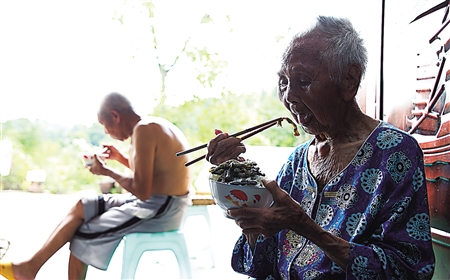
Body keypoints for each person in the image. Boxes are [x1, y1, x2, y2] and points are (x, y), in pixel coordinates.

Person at [206, 16, 435, 279]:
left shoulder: (395, 154)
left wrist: (305, 226)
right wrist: (235, 178)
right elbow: (262, 260)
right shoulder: (297, 160)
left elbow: (408, 270)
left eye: (303, 81)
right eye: (283, 82)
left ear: (349, 81)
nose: (289, 97)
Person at [0, 92, 192, 280]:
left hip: (162, 209)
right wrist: (120, 158)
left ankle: (29, 270)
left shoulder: (144, 130)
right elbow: (152, 174)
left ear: (115, 116)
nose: (106, 132)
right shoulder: (150, 126)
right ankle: (30, 267)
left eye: (104, 125)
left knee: (83, 232)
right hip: (158, 201)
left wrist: (107, 171)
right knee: (84, 204)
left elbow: (142, 190)